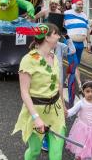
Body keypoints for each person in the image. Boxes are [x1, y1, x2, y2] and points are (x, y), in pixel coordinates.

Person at [13, 23, 66, 160]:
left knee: (56, 155)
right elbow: (24, 92)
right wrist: (36, 118)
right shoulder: (28, 60)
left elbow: (58, 84)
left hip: (56, 111)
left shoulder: (54, 57)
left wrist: (63, 106)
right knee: (35, 152)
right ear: (47, 37)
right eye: (56, 34)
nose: (59, 36)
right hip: (36, 111)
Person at [66, 80, 92, 160]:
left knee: (89, 149)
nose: (90, 93)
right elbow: (72, 111)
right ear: (83, 91)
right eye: (87, 91)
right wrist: (66, 113)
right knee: (80, 149)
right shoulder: (81, 102)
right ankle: (78, 158)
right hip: (81, 130)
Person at [64, 0, 89, 91]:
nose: (81, 6)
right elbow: (58, 21)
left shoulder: (84, 16)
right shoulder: (67, 13)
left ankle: (67, 81)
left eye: (82, 4)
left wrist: (88, 42)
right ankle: (80, 84)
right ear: (73, 5)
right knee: (74, 64)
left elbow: (87, 29)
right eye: (79, 4)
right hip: (70, 43)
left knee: (75, 63)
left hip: (81, 44)